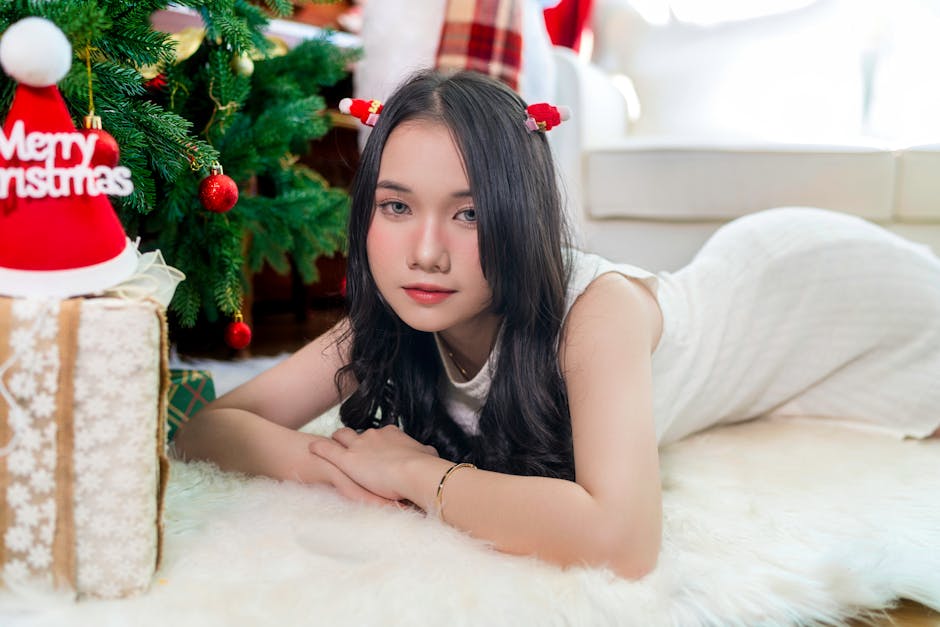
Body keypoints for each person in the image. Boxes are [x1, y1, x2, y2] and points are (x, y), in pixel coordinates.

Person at [173, 70, 940, 580]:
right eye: (397, 206)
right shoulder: (395, 316)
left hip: (820, 290)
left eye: (469, 213)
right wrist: (340, 468)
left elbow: (622, 542)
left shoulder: (592, 315)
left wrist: (414, 471)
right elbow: (210, 429)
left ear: (518, 216)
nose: (427, 251)